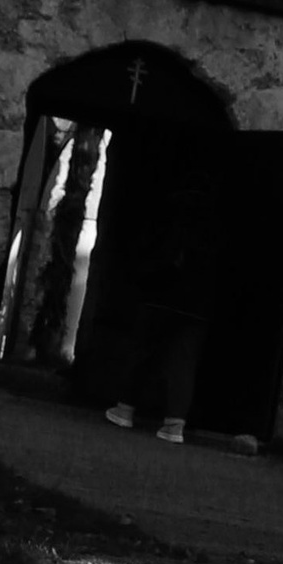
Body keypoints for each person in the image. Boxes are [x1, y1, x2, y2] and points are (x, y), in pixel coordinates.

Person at [96, 130, 221, 444]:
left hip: (160, 293)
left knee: (143, 352)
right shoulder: (215, 221)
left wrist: (143, 274)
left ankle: (125, 408)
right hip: (197, 303)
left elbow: (146, 245)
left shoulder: (168, 209)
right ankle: (174, 423)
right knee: (183, 363)